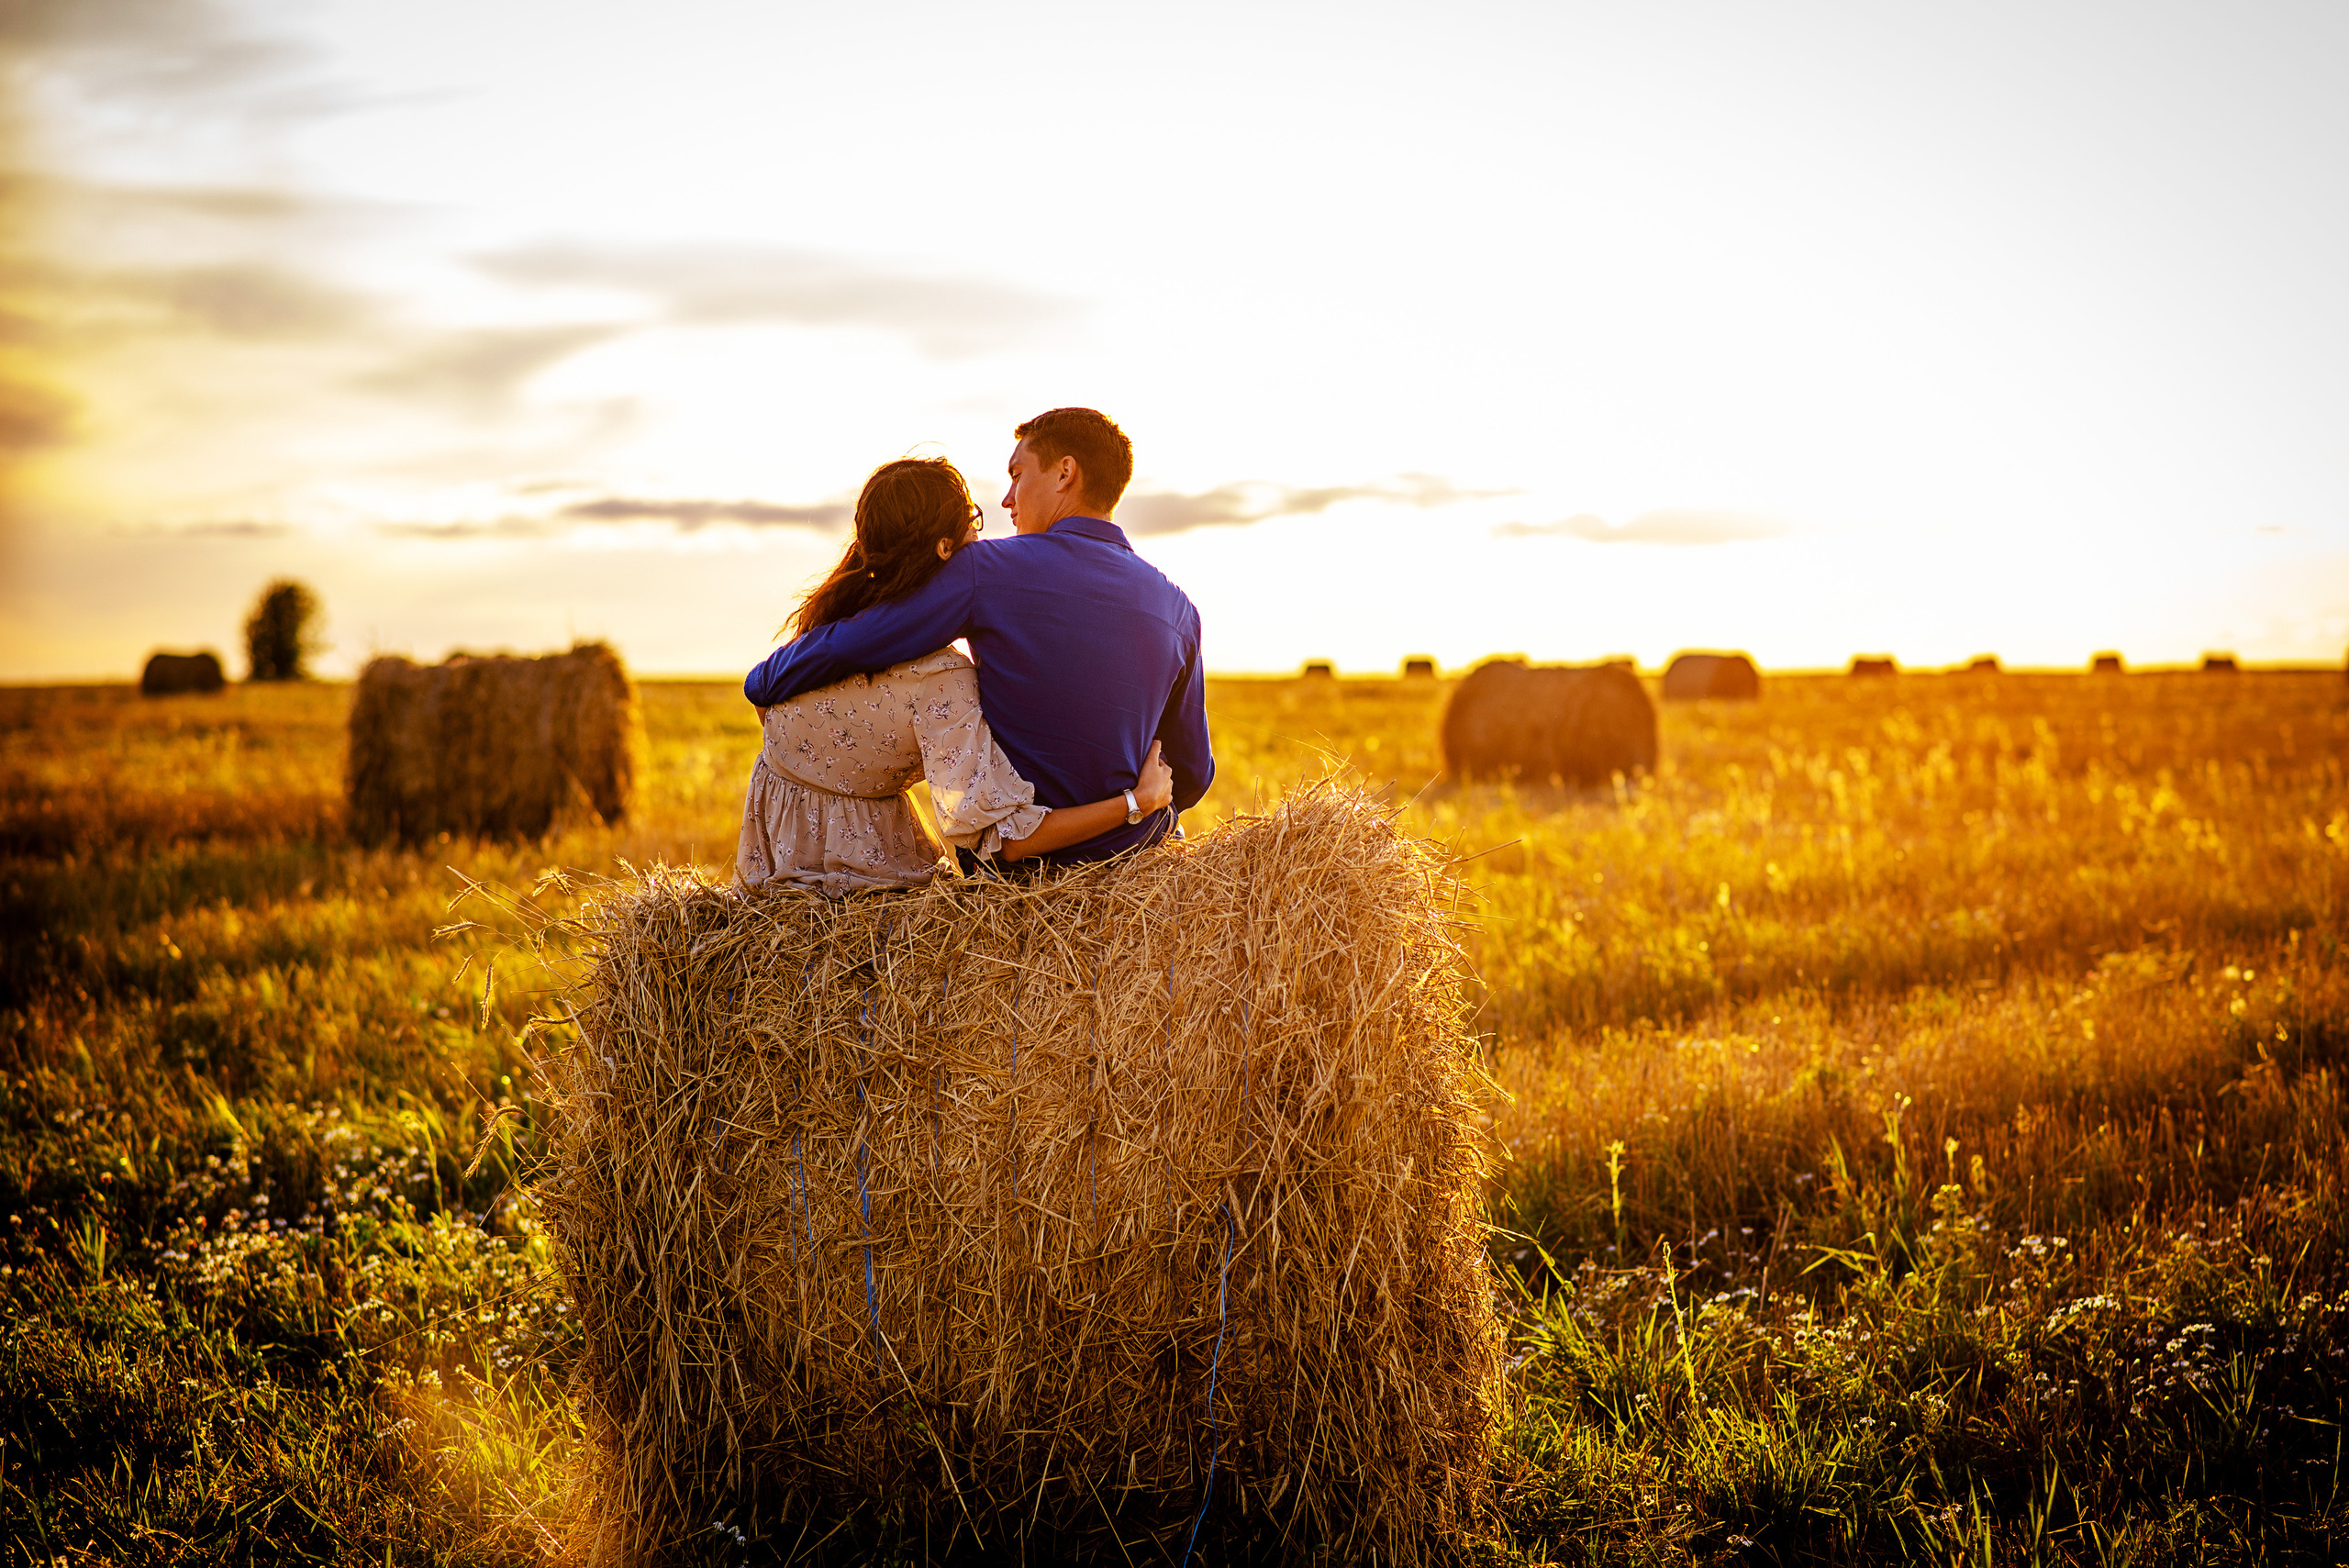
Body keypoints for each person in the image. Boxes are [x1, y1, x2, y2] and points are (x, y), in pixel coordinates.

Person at [744, 407, 1213, 873]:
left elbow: (858, 642)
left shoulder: (986, 570)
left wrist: (763, 680)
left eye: (1017, 475)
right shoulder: (1179, 610)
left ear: (1065, 473)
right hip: (1138, 863)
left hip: (1023, 875)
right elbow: (1193, 776)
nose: (1008, 499)